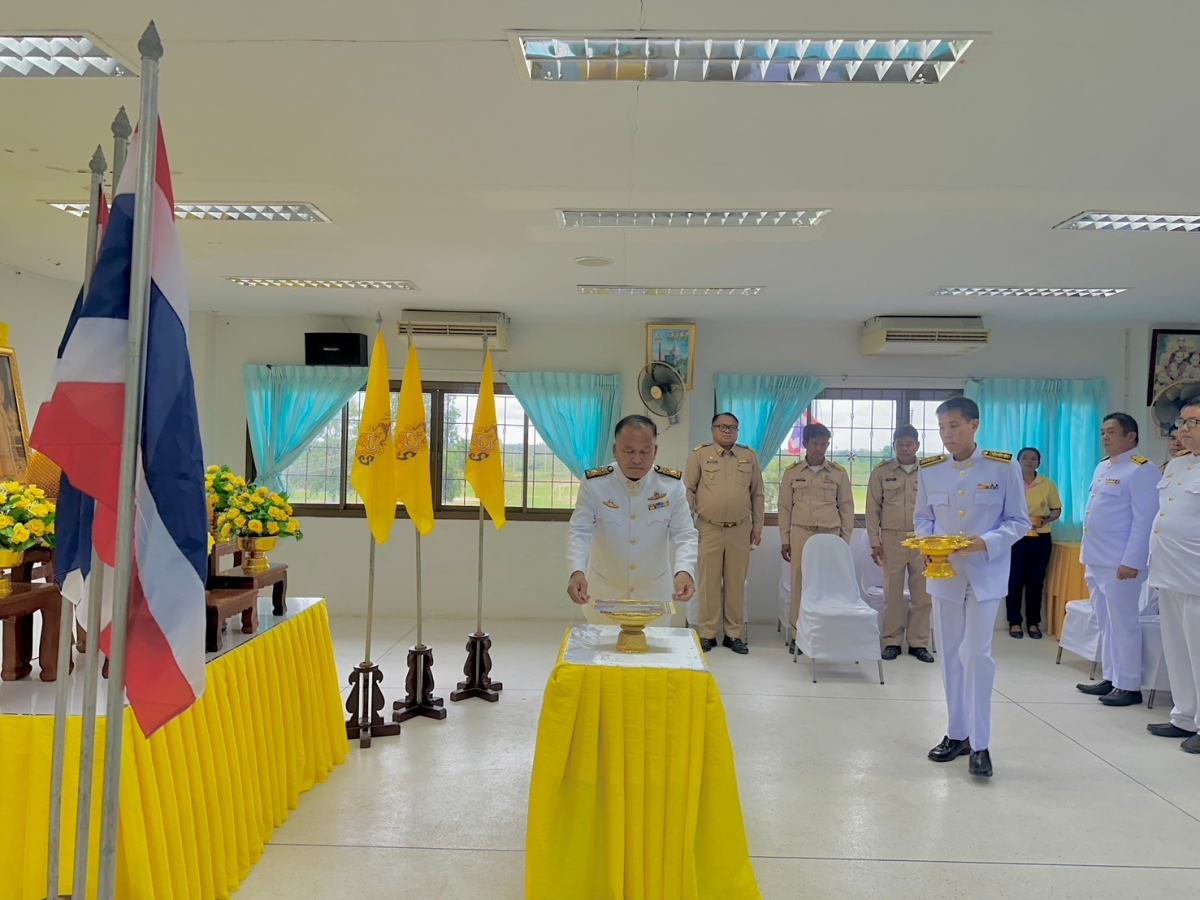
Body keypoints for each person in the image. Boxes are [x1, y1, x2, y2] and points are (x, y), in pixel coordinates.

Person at [915, 396, 1029, 778]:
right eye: (942, 428)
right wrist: (930, 543)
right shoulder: (930, 470)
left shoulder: (1003, 466)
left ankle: (981, 744)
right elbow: (922, 519)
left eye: (955, 426)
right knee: (949, 654)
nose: (948, 435)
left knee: (977, 655)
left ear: (974, 425)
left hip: (986, 572)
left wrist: (987, 542)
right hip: (945, 575)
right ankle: (957, 733)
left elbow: (1018, 521)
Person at [566, 415, 697, 623]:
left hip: (653, 595)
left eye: (645, 451)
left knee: (652, 653)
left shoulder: (671, 485)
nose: (637, 459)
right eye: (628, 451)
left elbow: (685, 534)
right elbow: (580, 531)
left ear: (654, 452)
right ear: (615, 450)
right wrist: (576, 571)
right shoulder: (595, 483)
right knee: (604, 653)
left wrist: (684, 571)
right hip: (604, 593)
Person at [1076, 413, 1161, 707]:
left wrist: (1133, 560)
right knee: (1105, 621)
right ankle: (1112, 677)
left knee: (1123, 622)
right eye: (1102, 432)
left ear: (1131, 437)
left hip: (1120, 562)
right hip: (1097, 557)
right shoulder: (1104, 467)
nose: (1105, 437)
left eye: (1111, 432)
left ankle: (1129, 685)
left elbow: (1145, 520)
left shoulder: (1142, 470)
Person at [684, 412, 765, 654]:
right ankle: (707, 634)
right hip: (708, 528)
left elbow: (757, 494)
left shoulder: (749, 457)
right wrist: (689, 527)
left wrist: (757, 527)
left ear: (738, 431)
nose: (727, 431)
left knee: (735, 583)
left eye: (732, 427)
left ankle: (733, 634)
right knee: (708, 583)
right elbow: (688, 490)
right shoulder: (699, 456)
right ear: (712, 429)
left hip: (741, 528)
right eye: (722, 426)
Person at [1146, 403, 1200, 754]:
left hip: (1196, 573)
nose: (1184, 429)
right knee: (1178, 649)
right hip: (1169, 570)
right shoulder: (1180, 464)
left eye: (1193, 422)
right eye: (1183, 421)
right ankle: (1183, 715)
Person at [779, 422, 854, 640]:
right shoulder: (793, 473)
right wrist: (786, 539)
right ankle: (797, 634)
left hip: (829, 534)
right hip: (801, 533)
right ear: (805, 444)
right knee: (799, 583)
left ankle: (823, 633)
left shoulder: (838, 473)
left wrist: (844, 540)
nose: (818, 448)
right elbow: (784, 508)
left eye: (823, 444)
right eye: (814, 443)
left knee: (827, 584)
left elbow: (847, 508)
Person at [866, 425, 934, 663]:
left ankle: (918, 643)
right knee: (892, 593)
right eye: (900, 444)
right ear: (894, 445)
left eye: (909, 444)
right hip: (892, 539)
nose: (905, 448)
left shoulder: (929, 471)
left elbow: (938, 507)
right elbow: (872, 509)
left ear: (917, 445)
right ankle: (892, 641)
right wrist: (875, 542)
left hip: (922, 539)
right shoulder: (882, 472)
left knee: (923, 594)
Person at [1006, 447, 1062, 640]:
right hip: (1014, 538)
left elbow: (1056, 510)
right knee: (1014, 581)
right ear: (1018, 461)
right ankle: (1014, 622)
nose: (1029, 461)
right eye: (1025, 458)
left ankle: (1033, 622)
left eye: (1033, 458)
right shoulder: (1010, 481)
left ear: (1039, 462)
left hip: (1040, 539)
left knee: (1036, 582)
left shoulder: (1047, 484)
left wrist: (1045, 520)